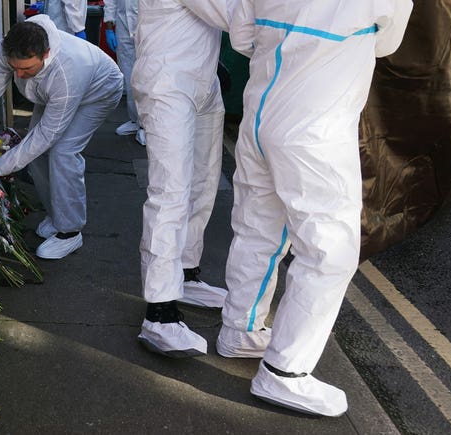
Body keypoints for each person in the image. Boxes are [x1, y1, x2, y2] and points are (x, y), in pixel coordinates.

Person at [221, 0, 413, 416]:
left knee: (257, 228)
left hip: (260, 112)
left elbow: (240, 37)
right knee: (330, 252)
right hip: (314, 129)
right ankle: (284, 373)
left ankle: (239, 329)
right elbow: (388, 44)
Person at [0, 14, 123, 260]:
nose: (19, 76)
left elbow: (47, 135)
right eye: (15, 69)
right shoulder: (6, 48)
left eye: (25, 69)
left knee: (63, 151)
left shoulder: (68, 71)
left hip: (99, 91)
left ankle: (70, 231)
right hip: (51, 94)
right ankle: (57, 216)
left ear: (45, 54)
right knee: (37, 154)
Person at [131, 0, 237, 358]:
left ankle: (186, 274)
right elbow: (233, 16)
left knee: (204, 185)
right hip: (169, 81)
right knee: (170, 193)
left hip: (203, 78)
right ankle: (159, 313)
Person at [103, 0, 145, 146]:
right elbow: (110, 1)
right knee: (128, 75)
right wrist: (109, 26)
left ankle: (147, 125)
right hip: (123, 27)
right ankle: (135, 120)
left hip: (147, 29)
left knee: (146, 77)